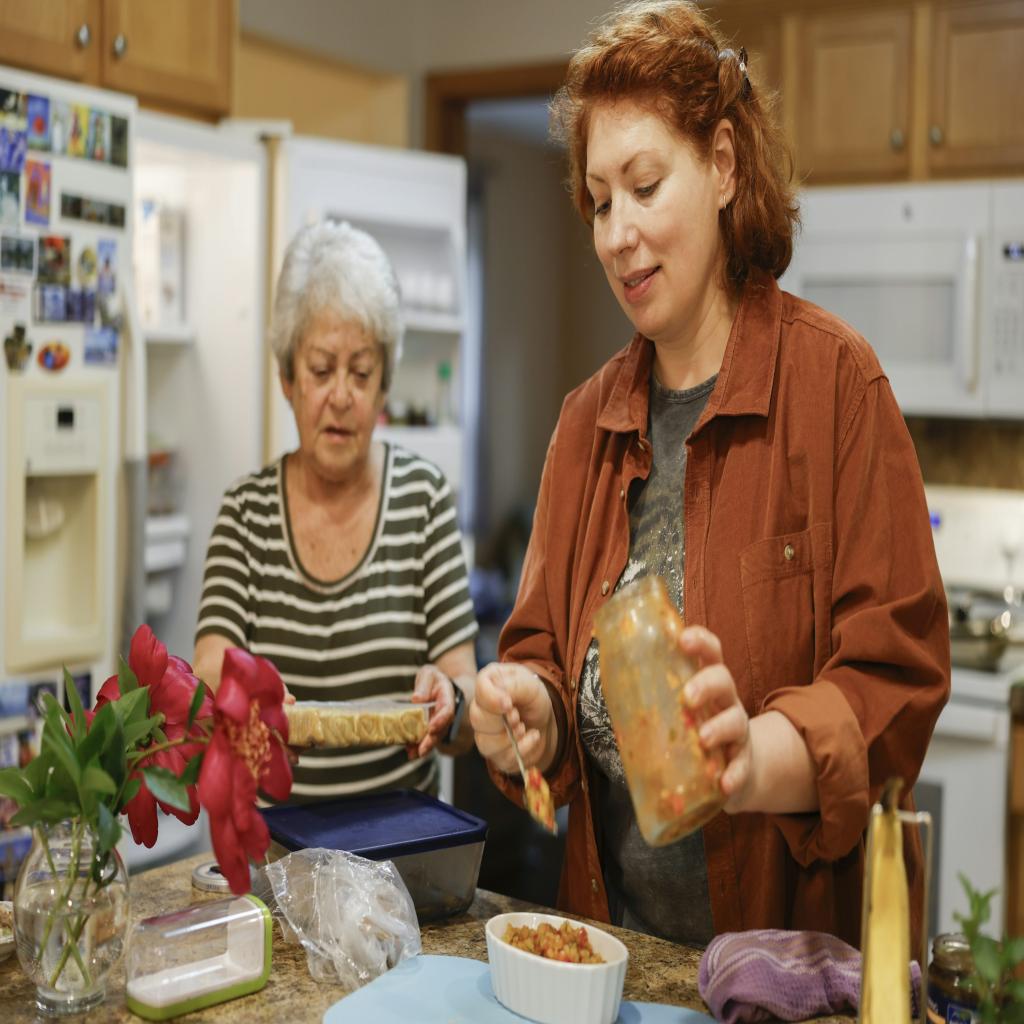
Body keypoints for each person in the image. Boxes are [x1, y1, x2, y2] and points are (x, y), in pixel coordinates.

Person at [470, 0, 949, 949]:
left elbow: (896, 680)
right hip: (613, 961)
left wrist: (757, 758)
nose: (616, 233)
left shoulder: (837, 388)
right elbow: (546, 666)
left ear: (724, 166)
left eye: (645, 187)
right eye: (599, 202)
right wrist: (532, 715)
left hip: (786, 970)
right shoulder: (584, 426)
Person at [194, 220, 478, 800]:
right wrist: (241, 695)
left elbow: (465, 698)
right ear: (287, 379)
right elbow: (208, 665)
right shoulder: (246, 514)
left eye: (362, 373)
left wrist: (452, 698)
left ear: (384, 388)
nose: (342, 396)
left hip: (402, 842)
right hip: (277, 843)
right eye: (322, 370)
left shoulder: (423, 499)